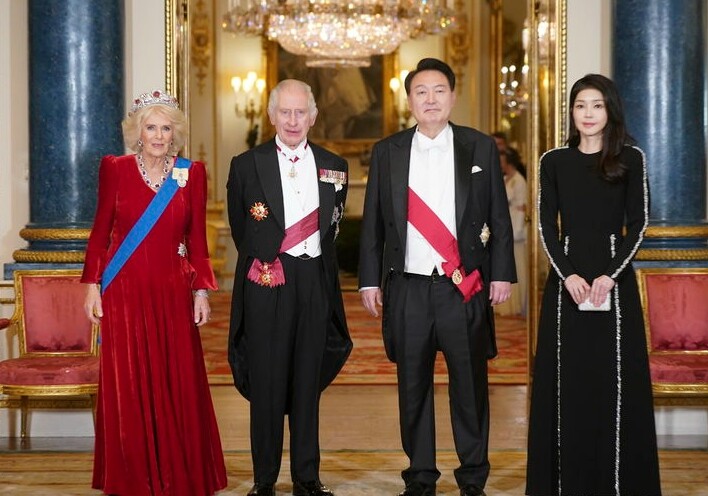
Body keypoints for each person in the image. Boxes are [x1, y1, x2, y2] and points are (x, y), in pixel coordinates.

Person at [358, 58, 516, 496]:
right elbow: (373, 222)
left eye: (439, 90)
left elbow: (499, 216)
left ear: (452, 96)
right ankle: (420, 476)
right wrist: (369, 280)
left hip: (462, 286)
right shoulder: (387, 151)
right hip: (408, 287)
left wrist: (502, 273)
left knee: (470, 387)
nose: (430, 99)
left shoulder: (479, 147)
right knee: (412, 387)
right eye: (421, 92)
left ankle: (473, 477)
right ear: (409, 100)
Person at [82, 90, 227, 495]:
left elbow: (197, 240)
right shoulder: (115, 169)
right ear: (137, 132)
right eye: (151, 128)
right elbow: (99, 233)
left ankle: (179, 474)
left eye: (166, 128)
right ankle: (132, 476)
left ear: (175, 133)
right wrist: (92, 286)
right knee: (129, 383)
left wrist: (202, 291)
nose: (159, 136)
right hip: (124, 293)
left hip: (172, 292)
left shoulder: (191, 173)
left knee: (176, 379)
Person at [526, 74, 661, 495]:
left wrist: (609, 275)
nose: (588, 113)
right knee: (570, 384)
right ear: (571, 111)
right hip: (567, 287)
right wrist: (568, 274)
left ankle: (616, 483)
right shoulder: (554, 161)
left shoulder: (631, 159)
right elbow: (546, 227)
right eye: (580, 105)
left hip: (613, 286)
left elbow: (639, 224)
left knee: (613, 384)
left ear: (610, 111)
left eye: (597, 105)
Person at [227, 79, 352, 496]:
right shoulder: (246, 164)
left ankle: (307, 477)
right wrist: (268, 257)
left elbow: (333, 228)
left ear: (313, 116)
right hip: (268, 281)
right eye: (285, 112)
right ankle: (264, 480)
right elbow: (241, 229)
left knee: (306, 381)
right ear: (272, 115)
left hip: (315, 280)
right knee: (266, 380)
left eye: (301, 112)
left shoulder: (335, 165)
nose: (293, 120)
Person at [495, 150, 528, 316]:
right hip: (504, 223)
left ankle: (517, 304)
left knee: (517, 265)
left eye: (502, 161)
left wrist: (518, 230)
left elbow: (522, 207)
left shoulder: (519, 180)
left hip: (516, 226)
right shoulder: (504, 179)